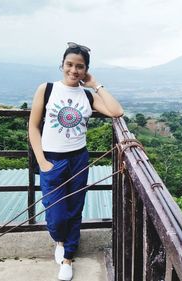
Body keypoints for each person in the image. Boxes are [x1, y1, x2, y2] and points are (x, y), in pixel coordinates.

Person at [28, 42, 123, 280]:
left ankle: (68, 257)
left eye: (80, 66)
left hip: (78, 159)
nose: (74, 70)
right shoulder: (47, 89)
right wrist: (42, 160)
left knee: (74, 209)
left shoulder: (87, 96)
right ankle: (59, 239)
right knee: (56, 213)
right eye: (69, 64)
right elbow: (33, 126)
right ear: (62, 65)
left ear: (86, 70)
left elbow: (116, 111)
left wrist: (96, 85)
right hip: (52, 159)